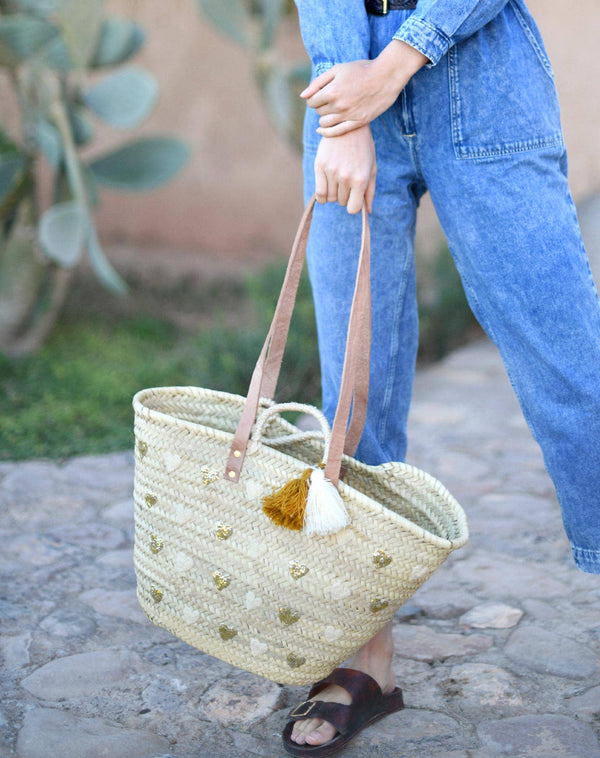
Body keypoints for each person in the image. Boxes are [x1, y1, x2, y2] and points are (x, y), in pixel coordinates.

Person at [282, 0, 600, 755]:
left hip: (483, 84)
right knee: (353, 399)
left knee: (571, 373)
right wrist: (347, 107)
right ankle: (365, 659)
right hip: (348, 87)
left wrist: (393, 67)